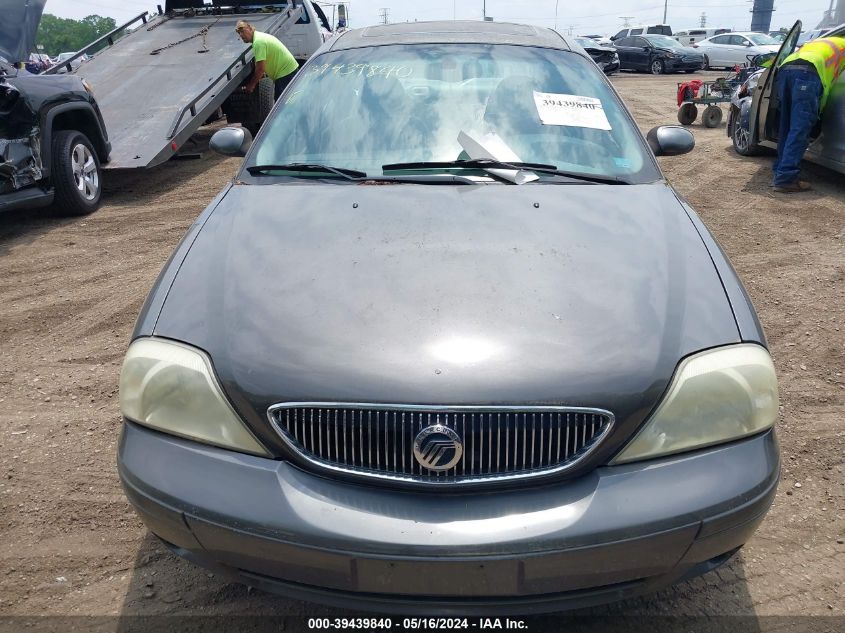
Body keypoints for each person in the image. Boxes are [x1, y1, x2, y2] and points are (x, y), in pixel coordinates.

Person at [771, 36, 845, 193]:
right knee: (800, 127)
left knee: (787, 125)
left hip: (786, 70)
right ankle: (786, 178)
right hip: (808, 73)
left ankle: (780, 169)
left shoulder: (825, 40)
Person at [235, 20, 299, 101]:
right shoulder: (259, 36)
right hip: (288, 71)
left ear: (250, 28)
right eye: (239, 33)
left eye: (243, 31)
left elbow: (260, 69)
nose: (241, 35)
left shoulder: (258, 42)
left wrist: (252, 85)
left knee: (282, 106)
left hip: (285, 73)